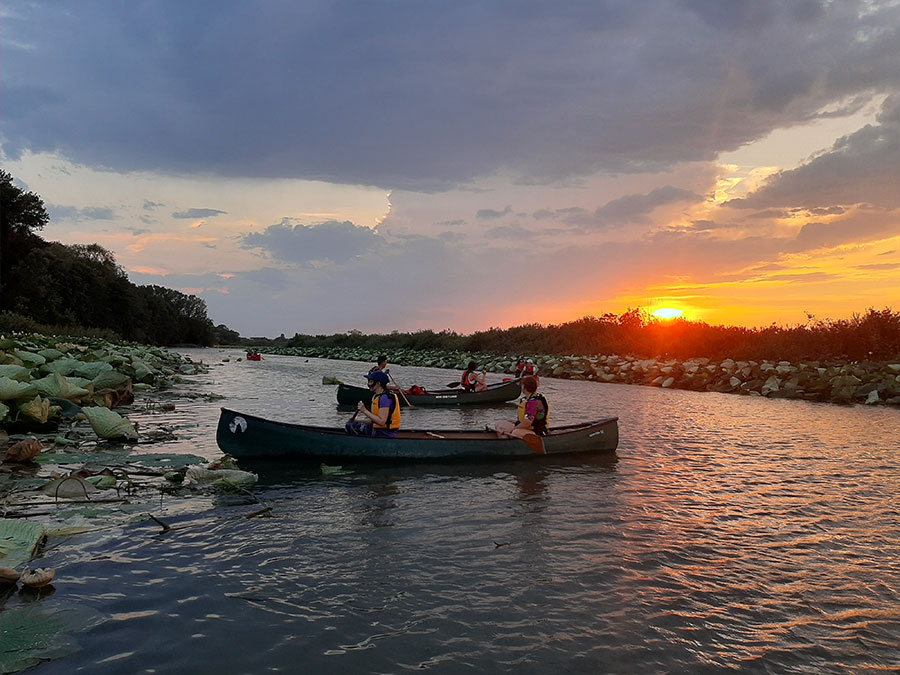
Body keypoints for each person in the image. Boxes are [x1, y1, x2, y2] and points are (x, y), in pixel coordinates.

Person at [345, 371, 401, 438]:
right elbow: (373, 421)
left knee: (350, 426)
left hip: (384, 433)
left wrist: (364, 410)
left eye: (371, 382)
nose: (368, 384)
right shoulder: (376, 396)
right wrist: (356, 420)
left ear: (378, 383)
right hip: (378, 430)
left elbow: (381, 422)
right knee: (351, 424)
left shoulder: (385, 398)